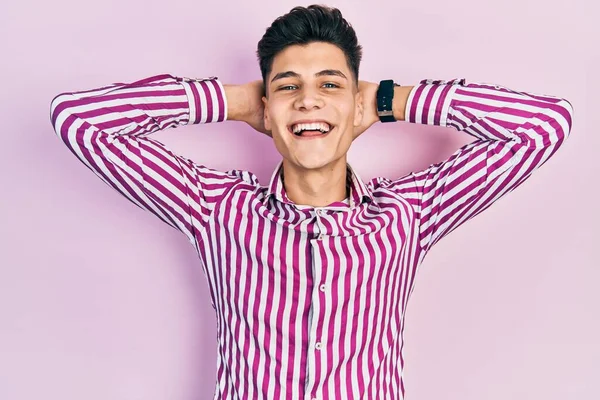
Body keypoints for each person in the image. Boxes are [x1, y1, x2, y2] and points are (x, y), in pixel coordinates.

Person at [48, 4, 573, 400]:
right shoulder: (216, 209)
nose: (309, 99)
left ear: (357, 106)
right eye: (287, 87)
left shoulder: (409, 214)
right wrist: (231, 101)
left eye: (330, 84)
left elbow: (543, 126)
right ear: (266, 110)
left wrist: (393, 99)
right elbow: (79, 120)